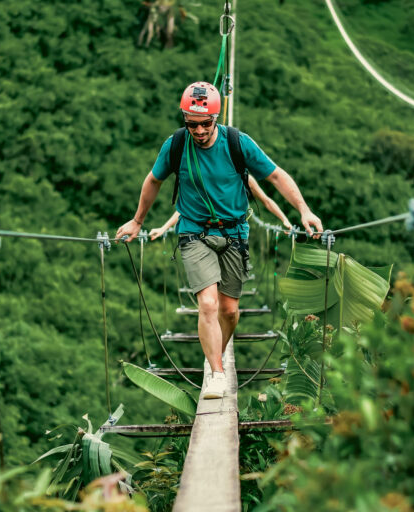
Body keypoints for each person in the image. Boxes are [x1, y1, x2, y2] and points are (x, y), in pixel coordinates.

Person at [115, 81, 323, 400]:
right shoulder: (176, 145)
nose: (198, 131)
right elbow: (154, 179)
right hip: (194, 232)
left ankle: (215, 351)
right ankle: (216, 372)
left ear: (217, 116)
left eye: (205, 123)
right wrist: (138, 220)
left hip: (235, 233)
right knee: (208, 305)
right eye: (192, 124)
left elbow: (276, 176)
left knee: (229, 311)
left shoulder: (238, 143)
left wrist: (303, 210)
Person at [147, 175, 292, 241]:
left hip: (235, 233)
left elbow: (266, 201)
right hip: (205, 233)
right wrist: (163, 228)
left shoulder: (245, 178)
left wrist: (284, 220)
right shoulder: (208, 178)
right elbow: (186, 210)